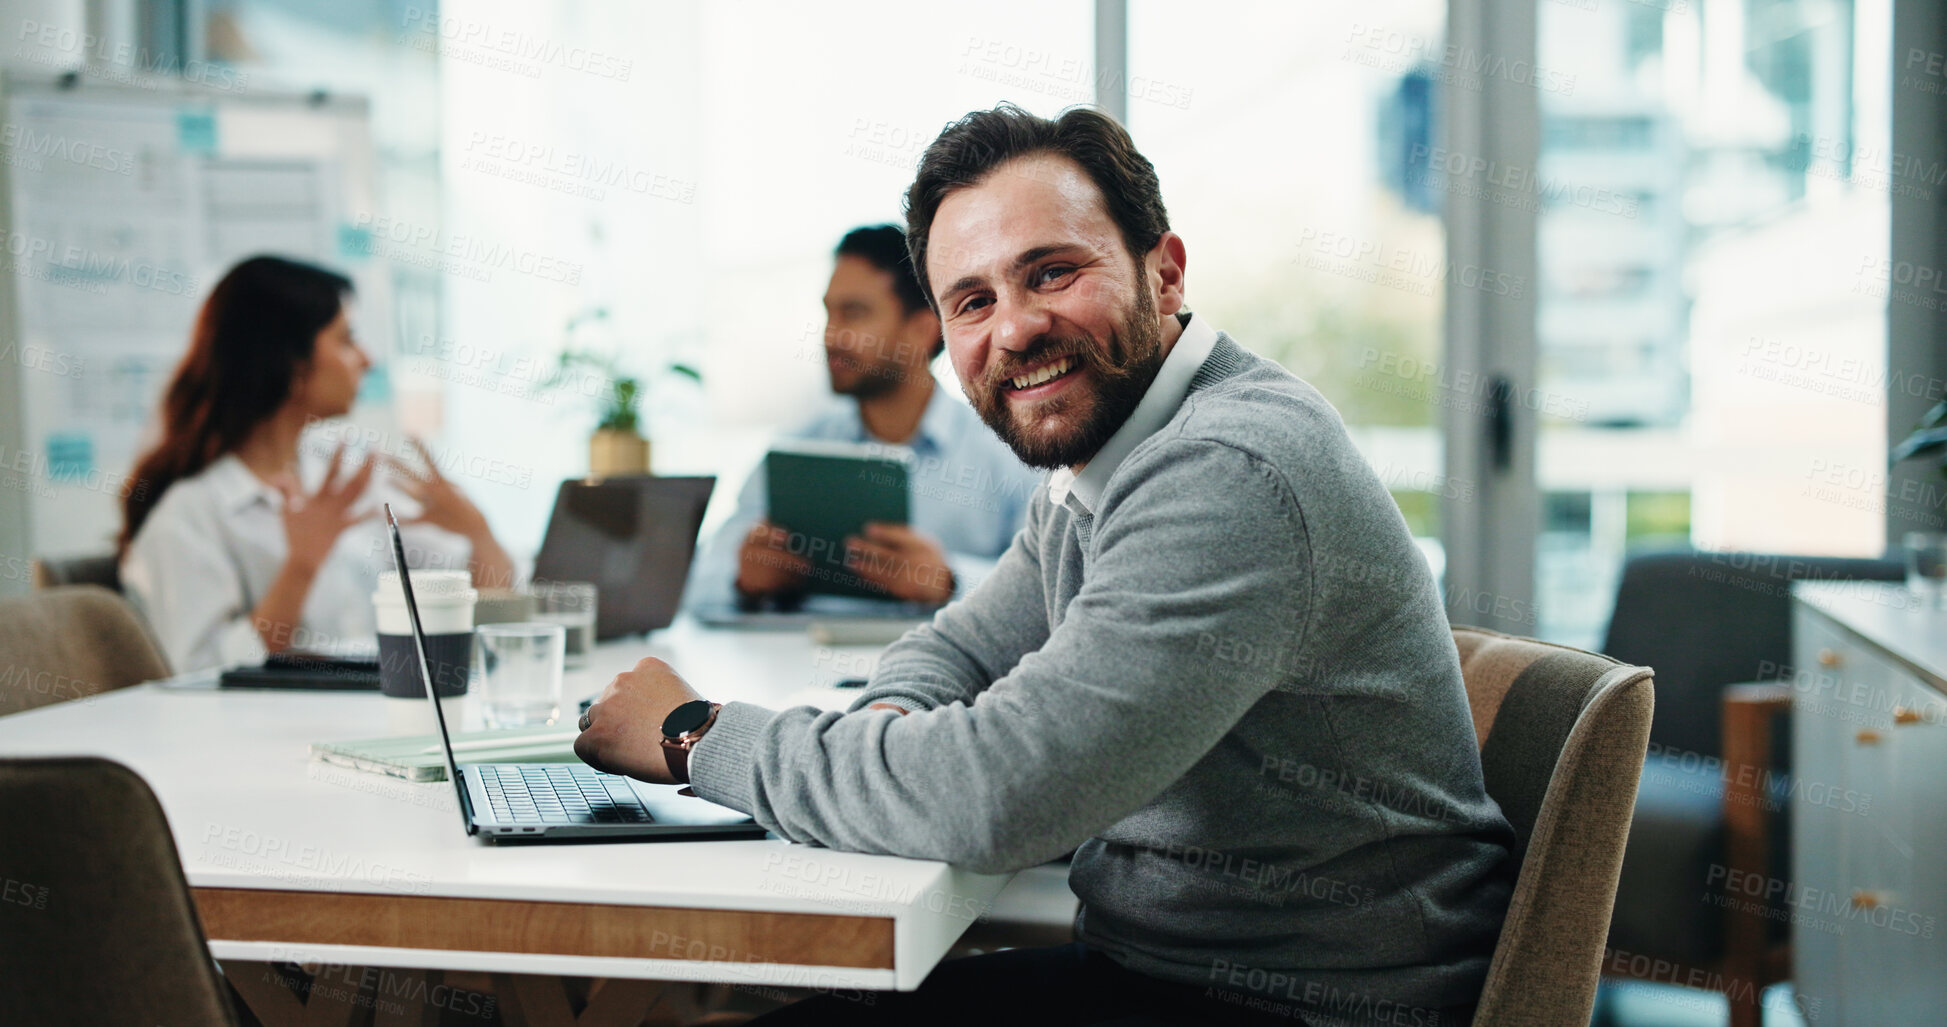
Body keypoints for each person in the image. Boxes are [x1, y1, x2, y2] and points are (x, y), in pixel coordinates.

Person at [578, 106, 1513, 1026]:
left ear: (1165, 273)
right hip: (1169, 972)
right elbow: (955, 647)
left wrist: (696, 734)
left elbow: (1000, 796)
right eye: (973, 301)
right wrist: (891, 737)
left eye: (1052, 272)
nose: (1016, 329)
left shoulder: (1225, 469)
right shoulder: (1102, 461)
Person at [120, 255, 515, 673]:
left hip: (374, 704)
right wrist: (302, 566)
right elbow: (199, 676)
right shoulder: (191, 514)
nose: (367, 359)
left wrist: (478, 532)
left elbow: (481, 603)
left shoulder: (344, 473)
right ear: (291, 362)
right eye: (346, 340)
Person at [686, 224, 1037, 613]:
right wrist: (742, 579)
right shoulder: (798, 449)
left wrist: (948, 580)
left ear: (922, 330)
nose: (830, 336)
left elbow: (1049, 587)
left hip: (943, 650)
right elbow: (694, 586)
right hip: (799, 650)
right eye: (829, 313)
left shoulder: (1008, 452)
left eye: (853, 314)